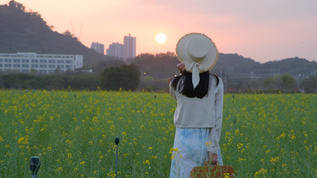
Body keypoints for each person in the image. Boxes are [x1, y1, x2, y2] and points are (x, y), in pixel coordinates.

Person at [169, 33, 224, 177]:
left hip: (183, 139)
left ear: (185, 58)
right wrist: (213, 148)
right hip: (207, 138)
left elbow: (178, 97)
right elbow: (217, 118)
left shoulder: (175, 83)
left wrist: (181, 75)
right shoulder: (216, 83)